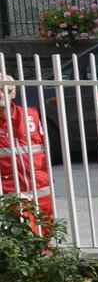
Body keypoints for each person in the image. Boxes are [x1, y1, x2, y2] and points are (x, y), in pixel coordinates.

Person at [0, 75, 53, 221]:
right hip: (11, 193)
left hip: (41, 189)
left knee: (45, 238)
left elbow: (44, 149)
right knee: (23, 239)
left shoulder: (32, 114)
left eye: (6, 89)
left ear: (14, 93)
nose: (1, 94)